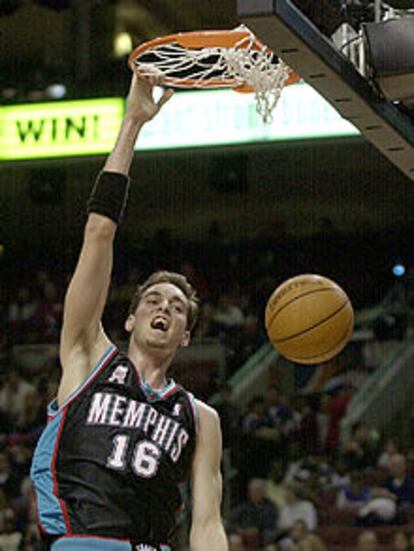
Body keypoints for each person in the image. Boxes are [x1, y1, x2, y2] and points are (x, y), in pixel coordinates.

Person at [30, 67, 228, 551]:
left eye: (178, 307)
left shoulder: (201, 418)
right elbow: (99, 233)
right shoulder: (86, 356)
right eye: (153, 300)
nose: (164, 307)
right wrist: (132, 124)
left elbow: (206, 523)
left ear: (184, 335)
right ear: (129, 318)